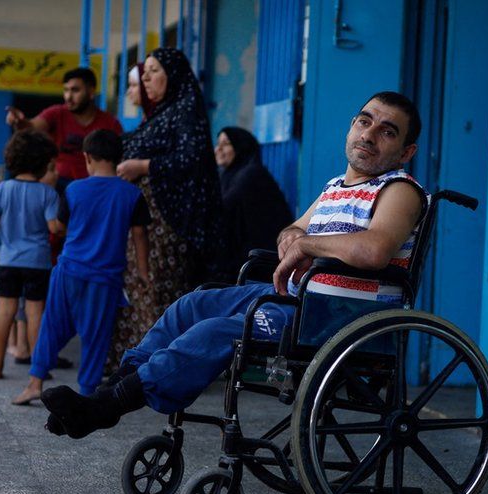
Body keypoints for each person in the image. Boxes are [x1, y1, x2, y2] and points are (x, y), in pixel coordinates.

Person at [40, 91, 427, 439]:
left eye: (387, 131)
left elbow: (375, 249)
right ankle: (106, 397)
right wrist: (293, 239)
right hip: (295, 299)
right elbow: (292, 229)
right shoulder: (334, 188)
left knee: (215, 332)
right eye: (364, 120)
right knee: (191, 304)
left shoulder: (400, 190)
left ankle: (103, 408)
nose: (369, 134)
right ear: (351, 126)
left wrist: (307, 242)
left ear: (407, 151)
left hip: (338, 317)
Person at [106, 48, 225, 370]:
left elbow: (193, 159)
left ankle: (161, 366)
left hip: (169, 222)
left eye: (153, 71)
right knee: (141, 288)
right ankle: (136, 362)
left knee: (158, 288)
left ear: (173, 75)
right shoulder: (161, 113)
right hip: (147, 219)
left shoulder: (185, 109)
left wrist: (143, 165)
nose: (146, 78)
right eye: (144, 74)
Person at [12, 129, 151, 405]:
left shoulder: (74, 189)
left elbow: (61, 228)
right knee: (96, 336)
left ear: (87, 157)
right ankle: (86, 394)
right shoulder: (132, 194)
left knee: (51, 327)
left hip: (69, 272)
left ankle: (35, 383)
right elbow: (139, 237)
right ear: (119, 157)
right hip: (106, 278)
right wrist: (144, 274)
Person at [0, 130, 62, 380]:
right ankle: (38, 370)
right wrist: (67, 230)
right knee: (36, 312)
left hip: (8, 260)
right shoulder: (48, 193)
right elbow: (54, 228)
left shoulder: (2, 189)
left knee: (6, 310)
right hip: (37, 261)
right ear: (42, 162)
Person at [5, 67, 123, 190]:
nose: (68, 97)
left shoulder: (111, 123)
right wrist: (18, 121)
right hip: (59, 185)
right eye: (66, 90)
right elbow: (31, 127)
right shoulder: (57, 113)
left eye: (75, 90)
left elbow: (120, 161)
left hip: (96, 187)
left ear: (91, 91)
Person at [215, 127, 294, 272]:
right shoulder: (228, 175)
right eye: (218, 143)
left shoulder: (251, 175)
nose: (218, 149)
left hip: (260, 259)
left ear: (241, 148)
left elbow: (223, 208)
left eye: (226, 144)